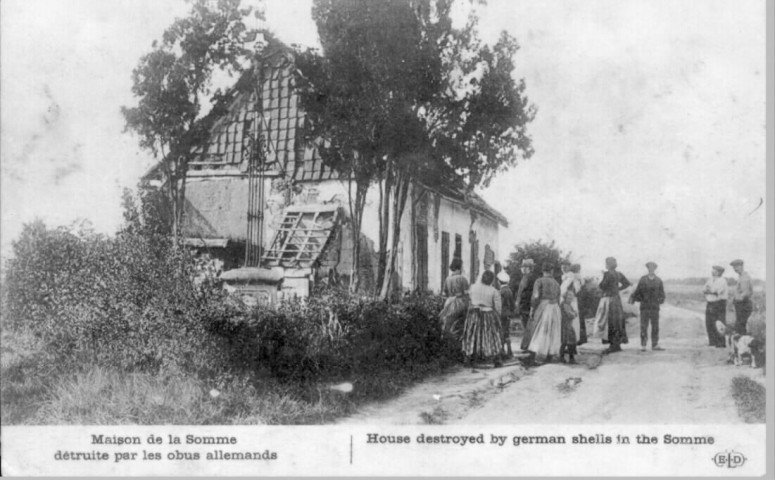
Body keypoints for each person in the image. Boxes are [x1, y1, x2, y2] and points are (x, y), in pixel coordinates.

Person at [463, 270, 503, 367]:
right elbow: (498, 307)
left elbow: (469, 300)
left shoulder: (473, 287)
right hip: (488, 313)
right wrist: (498, 317)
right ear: (492, 280)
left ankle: (468, 358)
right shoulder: (494, 291)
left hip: (474, 313)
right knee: (491, 335)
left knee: (472, 334)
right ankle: (496, 358)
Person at [591, 257, 631, 354]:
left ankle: (612, 345)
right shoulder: (618, 274)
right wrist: (618, 289)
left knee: (608, 322)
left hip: (608, 299)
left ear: (607, 265)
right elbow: (627, 283)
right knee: (617, 322)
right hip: (616, 299)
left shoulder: (607, 274)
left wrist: (601, 276)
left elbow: (602, 286)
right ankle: (616, 344)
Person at [527, 262, 563, 363]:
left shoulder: (539, 281)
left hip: (544, 305)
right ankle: (552, 354)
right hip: (555, 307)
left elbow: (535, 296)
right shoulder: (556, 283)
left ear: (543, 271)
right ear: (552, 271)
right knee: (553, 331)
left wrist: (532, 309)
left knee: (542, 330)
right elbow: (559, 298)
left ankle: (540, 355)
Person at [629, 261, 666, 351]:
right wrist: (634, 298)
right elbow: (638, 291)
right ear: (648, 269)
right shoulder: (643, 279)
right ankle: (643, 345)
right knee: (644, 326)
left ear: (655, 269)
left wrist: (660, 300)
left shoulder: (658, 280)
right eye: (649, 268)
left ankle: (655, 344)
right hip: (644, 306)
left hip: (654, 307)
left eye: (653, 268)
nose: (651, 269)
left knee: (655, 326)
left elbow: (662, 294)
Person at [439, 258, 470, 341]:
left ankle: (446, 340)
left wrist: (447, 303)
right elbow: (467, 294)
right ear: (459, 267)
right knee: (461, 324)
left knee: (448, 322)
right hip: (460, 302)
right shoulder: (463, 279)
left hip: (449, 302)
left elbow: (444, 294)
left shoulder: (447, 279)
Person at [703, 265, 728, 348]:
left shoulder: (722, 281)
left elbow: (716, 291)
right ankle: (712, 341)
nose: (712, 272)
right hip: (710, 302)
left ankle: (720, 342)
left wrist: (710, 290)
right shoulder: (710, 280)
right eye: (712, 270)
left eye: (714, 270)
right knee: (709, 322)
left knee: (719, 323)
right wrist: (709, 290)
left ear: (719, 272)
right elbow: (704, 289)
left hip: (719, 303)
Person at [517, 259, 538, 350]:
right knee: (526, 326)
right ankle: (527, 345)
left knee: (527, 326)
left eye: (526, 267)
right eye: (523, 267)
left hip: (527, 305)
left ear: (530, 268)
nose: (524, 269)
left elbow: (529, 293)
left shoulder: (530, 278)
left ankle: (528, 346)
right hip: (523, 305)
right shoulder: (525, 277)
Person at [730, 259, 753, 335]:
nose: (734, 269)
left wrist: (737, 300)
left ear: (741, 266)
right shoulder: (741, 276)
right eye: (734, 267)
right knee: (740, 325)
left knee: (741, 325)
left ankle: (742, 344)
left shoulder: (744, 277)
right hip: (741, 304)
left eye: (736, 266)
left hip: (743, 304)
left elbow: (745, 293)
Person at [497, 270, 515, 359]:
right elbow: (512, 304)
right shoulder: (509, 291)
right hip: (507, 314)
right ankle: (509, 351)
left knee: (501, 332)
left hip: (501, 314)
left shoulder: (501, 292)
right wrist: (511, 312)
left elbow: (500, 304)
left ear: (499, 281)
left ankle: (502, 351)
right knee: (506, 332)